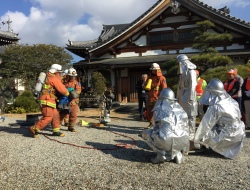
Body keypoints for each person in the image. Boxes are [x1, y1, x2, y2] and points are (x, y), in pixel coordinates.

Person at [194, 78, 245, 159]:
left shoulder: (216, 107)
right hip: (239, 133)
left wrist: (196, 139)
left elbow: (206, 125)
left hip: (228, 136)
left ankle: (222, 148)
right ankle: (228, 148)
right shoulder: (232, 101)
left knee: (206, 132)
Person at [142, 88, 189, 164]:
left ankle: (160, 154)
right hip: (182, 139)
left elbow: (155, 126)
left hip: (166, 139)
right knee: (174, 135)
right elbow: (186, 127)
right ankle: (177, 154)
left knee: (146, 133)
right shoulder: (180, 109)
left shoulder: (159, 109)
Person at [29, 64, 69, 138]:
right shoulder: (53, 78)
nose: (60, 74)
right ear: (56, 72)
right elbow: (62, 89)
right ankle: (34, 128)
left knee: (56, 115)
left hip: (49, 99)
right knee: (48, 116)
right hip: (47, 99)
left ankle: (56, 131)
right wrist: (67, 93)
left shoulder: (48, 77)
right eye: (59, 72)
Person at [176, 54, 198, 151]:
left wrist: (191, 99)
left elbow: (193, 86)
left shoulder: (191, 72)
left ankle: (191, 141)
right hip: (182, 99)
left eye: (179, 63)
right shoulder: (182, 74)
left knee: (191, 120)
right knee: (184, 120)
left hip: (189, 100)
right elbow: (179, 88)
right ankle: (184, 140)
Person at [145, 63, 167, 128]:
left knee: (158, 112)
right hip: (150, 98)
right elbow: (146, 86)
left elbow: (164, 88)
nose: (153, 71)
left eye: (154, 70)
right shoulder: (149, 78)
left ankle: (159, 125)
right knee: (149, 112)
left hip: (158, 98)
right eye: (152, 70)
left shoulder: (162, 78)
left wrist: (163, 97)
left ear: (158, 70)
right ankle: (151, 123)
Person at [59, 68, 82, 132]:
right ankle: (57, 126)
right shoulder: (63, 80)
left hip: (74, 100)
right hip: (65, 100)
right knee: (63, 113)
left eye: (74, 76)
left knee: (73, 114)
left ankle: (71, 127)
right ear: (68, 75)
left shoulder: (77, 81)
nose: (73, 77)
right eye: (72, 76)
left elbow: (79, 90)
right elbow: (60, 88)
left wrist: (74, 92)